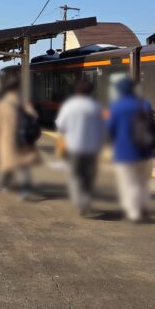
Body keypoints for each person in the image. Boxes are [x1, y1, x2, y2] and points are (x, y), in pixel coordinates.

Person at [107, 76, 155, 222]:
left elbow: (109, 128)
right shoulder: (145, 104)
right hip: (145, 151)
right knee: (142, 181)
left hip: (124, 152)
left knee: (127, 182)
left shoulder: (117, 106)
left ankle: (134, 212)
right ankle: (141, 205)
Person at [55, 80, 105, 215]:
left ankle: (79, 203)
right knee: (88, 177)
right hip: (91, 149)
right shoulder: (95, 106)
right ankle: (86, 201)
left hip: (73, 148)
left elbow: (60, 125)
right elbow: (102, 128)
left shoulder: (69, 106)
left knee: (75, 176)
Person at [0, 72, 41, 198]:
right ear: (18, 87)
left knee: (8, 164)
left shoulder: (2, 104)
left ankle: (5, 186)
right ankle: (25, 191)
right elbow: (34, 117)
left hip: (8, 139)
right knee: (23, 166)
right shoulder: (24, 102)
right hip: (23, 138)